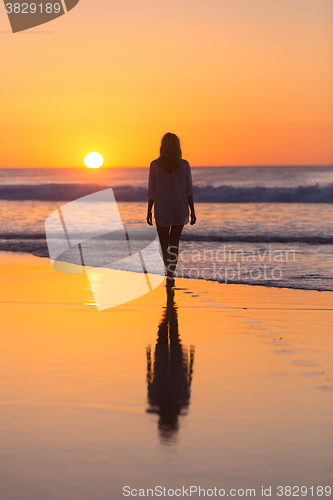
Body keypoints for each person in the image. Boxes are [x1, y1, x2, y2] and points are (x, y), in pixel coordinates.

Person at [146, 133, 196, 288]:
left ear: (163, 146)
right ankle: (171, 274)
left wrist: (149, 210)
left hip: (162, 207)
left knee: (163, 243)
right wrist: (192, 211)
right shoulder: (184, 165)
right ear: (177, 146)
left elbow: (152, 191)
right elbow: (189, 190)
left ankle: (168, 272)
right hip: (179, 207)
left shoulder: (155, 165)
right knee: (174, 243)